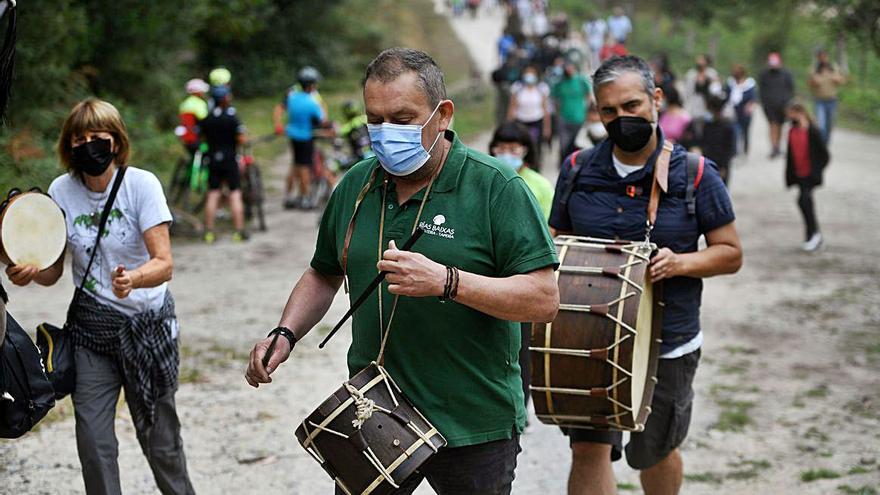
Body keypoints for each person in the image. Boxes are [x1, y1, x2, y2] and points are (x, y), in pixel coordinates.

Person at [245, 47, 559, 495]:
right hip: (373, 410)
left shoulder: (497, 187)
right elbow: (323, 272)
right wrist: (286, 332)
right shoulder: (356, 184)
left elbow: (544, 299)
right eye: (375, 120)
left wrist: (447, 282)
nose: (386, 132)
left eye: (403, 118)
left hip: (473, 419)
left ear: (443, 114)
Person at [549, 56, 742, 495]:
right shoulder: (577, 168)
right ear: (596, 112)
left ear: (656, 100)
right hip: (588, 336)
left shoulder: (695, 173)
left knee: (650, 452)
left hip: (669, 341)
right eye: (609, 111)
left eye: (632, 105)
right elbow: (552, 241)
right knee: (588, 449)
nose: (622, 118)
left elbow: (730, 254)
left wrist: (680, 262)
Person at [6, 98, 193, 494]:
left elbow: (164, 263)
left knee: (161, 444)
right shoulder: (61, 190)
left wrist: (135, 279)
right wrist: (29, 272)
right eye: (78, 138)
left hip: (147, 328)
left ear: (116, 141)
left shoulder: (141, 185)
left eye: (97, 137)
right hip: (92, 333)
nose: (87, 144)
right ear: (67, 145)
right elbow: (53, 269)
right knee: (93, 442)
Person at [488, 121, 554, 411]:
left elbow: (551, 232)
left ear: (526, 150)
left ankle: (519, 404)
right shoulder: (486, 179)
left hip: (523, 275)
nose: (506, 153)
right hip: (488, 275)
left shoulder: (539, 185)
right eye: (500, 148)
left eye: (512, 148)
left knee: (521, 345)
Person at [200, 86, 248, 243]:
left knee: (213, 193)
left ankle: (209, 232)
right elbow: (241, 139)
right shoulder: (232, 117)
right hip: (230, 160)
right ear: (225, 99)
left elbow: (201, 138)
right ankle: (239, 231)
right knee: (234, 193)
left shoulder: (207, 119)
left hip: (213, 160)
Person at [273, 67, 326, 209]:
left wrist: (278, 125)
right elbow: (321, 119)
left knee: (295, 165)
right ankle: (306, 197)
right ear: (310, 85)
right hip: (305, 137)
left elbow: (281, 108)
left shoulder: (292, 96)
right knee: (304, 167)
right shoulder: (311, 101)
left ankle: (288, 195)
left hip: (293, 135)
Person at [785, 100, 829, 252]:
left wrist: (816, 171)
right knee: (803, 202)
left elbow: (824, 155)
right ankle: (811, 235)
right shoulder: (792, 131)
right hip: (799, 175)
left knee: (805, 200)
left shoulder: (813, 131)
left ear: (800, 113)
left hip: (809, 175)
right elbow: (791, 156)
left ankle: (815, 235)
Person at [681, 95, 737, 185]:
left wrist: (723, 166)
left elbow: (729, 149)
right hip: (708, 161)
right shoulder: (709, 125)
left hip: (716, 163)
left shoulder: (725, 126)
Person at [507, 65, 551, 170]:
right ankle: (521, 168)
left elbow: (545, 109)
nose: (529, 75)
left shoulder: (542, 88)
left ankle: (536, 168)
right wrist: (509, 124)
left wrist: (547, 127)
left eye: (532, 72)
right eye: (527, 72)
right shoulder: (517, 87)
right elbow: (512, 107)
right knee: (521, 146)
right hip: (521, 121)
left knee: (536, 147)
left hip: (536, 121)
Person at [552, 61, 593, 163]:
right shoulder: (560, 82)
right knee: (563, 144)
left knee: (578, 143)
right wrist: (557, 113)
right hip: (564, 117)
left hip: (579, 118)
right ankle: (563, 163)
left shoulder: (581, 80)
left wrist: (586, 109)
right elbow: (555, 99)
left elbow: (589, 95)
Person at [758, 52, 794, 159]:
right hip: (770, 105)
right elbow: (762, 90)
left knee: (781, 126)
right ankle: (774, 147)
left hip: (783, 105)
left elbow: (791, 88)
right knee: (773, 125)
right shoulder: (764, 75)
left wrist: (788, 102)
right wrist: (764, 103)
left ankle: (778, 146)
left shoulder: (786, 74)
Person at [808, 49, 846, 145]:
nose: (823, 58)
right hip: (819, 100)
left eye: (824, 56)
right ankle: (821, 144)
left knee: (829, 125)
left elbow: (842, 81)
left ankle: (825, 143)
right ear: (818, 58)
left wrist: (836, 78)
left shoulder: (834, 67)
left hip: (832, 100)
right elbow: (809, 84)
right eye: (821, 57)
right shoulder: (814, 69)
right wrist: (815, 81)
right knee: (821, 125)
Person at [177, 78, 209, 162]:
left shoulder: (184, 104)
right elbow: (205, 120)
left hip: (186, 139)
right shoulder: (199, 103)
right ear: (197, 92)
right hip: (196, 139)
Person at [726, 64, 756, 154]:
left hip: (745, 112)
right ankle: (734, 150)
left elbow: (753, 98)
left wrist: (750, 105)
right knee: (735, 131)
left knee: (745, 132)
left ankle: (745, 149)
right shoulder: (730, 84)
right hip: (733, 111)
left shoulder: (749, 84)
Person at [683, 54, 722, 121]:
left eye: (701, 60)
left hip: (707, 104)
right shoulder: (691, 74)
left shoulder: (711, 74)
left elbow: (716, 89)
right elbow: (687, 90)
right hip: (694, 103)